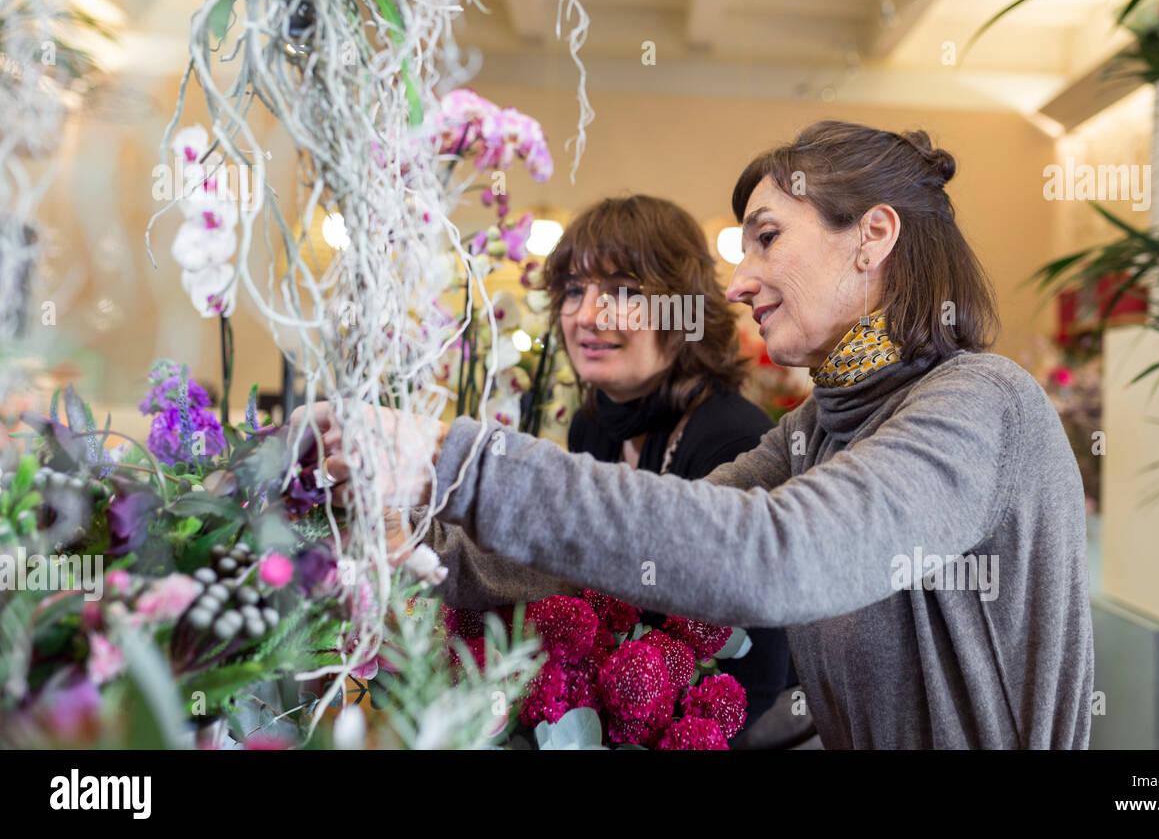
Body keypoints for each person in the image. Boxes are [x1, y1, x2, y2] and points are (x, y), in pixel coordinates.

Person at [300, 121, 1095, 749]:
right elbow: (639, 556)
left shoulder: (982, 400)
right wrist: (422, 540)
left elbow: (779, 555)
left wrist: (461, 460)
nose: (741, 279)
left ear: (873, 235)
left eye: (768, 237)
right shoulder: (817, 426)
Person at [546, 194, 794, 738]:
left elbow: (756, 677)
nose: (587, 315)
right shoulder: (592, 425)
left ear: (682, 310)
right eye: (572, 290)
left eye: (623, 292)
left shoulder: (733, 440)